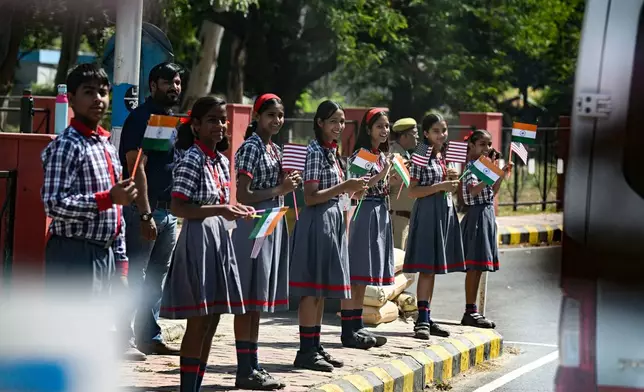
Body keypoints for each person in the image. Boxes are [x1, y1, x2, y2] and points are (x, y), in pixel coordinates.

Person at [159, 96, 255, 392]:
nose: (220, 125)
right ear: (196, 125)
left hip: (219, 238)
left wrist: (237, 211)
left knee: (213, 319)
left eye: (223, 120)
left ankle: (197, 385)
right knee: (197, 321)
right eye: (212, 120)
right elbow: (178, 207)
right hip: (198, 240)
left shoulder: (222, 161)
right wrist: (221, 210)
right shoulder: (192, 159)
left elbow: (221, 204)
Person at [41, 63, 137, 304]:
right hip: (73, 253)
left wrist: (121, 264)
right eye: (89, 92)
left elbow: (117, 213)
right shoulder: (67, 145)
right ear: (71, 99)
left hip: (104, 254)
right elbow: (53, 204)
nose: (98, 99)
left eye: (103, 92)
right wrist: (108, 199)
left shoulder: (106, 145)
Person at [289, 100, 371, 373]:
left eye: (342, 121)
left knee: (322, 289)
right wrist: (345, 186)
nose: (339, 126)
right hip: (317, 222)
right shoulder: (314, 151)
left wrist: (354, 190)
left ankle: (315, 344)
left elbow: (337, 191)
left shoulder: (332, 152)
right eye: (334, 121)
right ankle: (305, 350)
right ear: (320, 123)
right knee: (312, 289)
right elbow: (310, 197)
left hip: (333, 219)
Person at [230, 93, 301, 389]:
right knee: (248, 298)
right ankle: (243, 368)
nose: (277, 120)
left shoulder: (274, 149)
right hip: (254, 223)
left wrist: (286, 186)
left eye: (280, 115)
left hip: (271, 222)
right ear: (257, 116)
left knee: (258, 299)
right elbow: (243, 195)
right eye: (271, 115)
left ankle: (254, 364)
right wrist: (279, 188)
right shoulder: (251, 148)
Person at [118, 62, 183, 359]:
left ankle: (149, 336)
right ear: (153, 85)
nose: (174, 87)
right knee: (135, 276)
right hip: (144, 211)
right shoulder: (140, 118)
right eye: (168, 82)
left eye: (178, 82)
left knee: (156, 277)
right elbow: (136, 168)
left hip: (168, 213)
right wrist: (144, 214)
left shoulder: (166, 119)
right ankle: (122, 338)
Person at [403, 113, 465, 340]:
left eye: (445, 130)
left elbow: (445, 185)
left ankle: (426, 316)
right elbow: (413, 191)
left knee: (434, 269)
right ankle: (421, 320)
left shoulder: (442, 156)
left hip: (443, 212)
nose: (442, 135)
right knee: (427, 269)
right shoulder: (421, 154)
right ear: (426, 133)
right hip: (428, 213)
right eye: (437, 131)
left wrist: (450, 179)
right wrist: (441, 186)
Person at [343, 108, 395, 348]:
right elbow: (357, 188)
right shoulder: (363, 155)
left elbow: (381, 184)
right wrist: (383, 173)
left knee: (364, 275)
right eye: (379, 127)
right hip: (363, 211)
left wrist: (391, 177)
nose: (384, 131)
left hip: (379, 210)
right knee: (357, 272)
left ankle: (358, 325)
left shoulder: (382, 155)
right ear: (368, 129)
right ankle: (349, 328)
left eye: (386, 126)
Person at [460, 129, 512, 328]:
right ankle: (469, 310)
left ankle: (473, 310)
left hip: (487, 214)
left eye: (489, 144)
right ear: (472, 146)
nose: (487, 148)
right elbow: (472, 192)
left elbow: (493, 191)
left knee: (481, 265)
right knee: (474, 266)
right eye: (482, 144)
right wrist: (491, 174)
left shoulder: (484, 166)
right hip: (477, 215)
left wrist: (500, 172)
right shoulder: (471, 167)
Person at [388, 118, 419, 250]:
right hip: (398, 219)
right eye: (415, 133)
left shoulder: (407, 155)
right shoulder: (394, 155)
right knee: (397, 262)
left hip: (408, 219)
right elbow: (393, 180)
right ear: (405, 136)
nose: (418, 136)